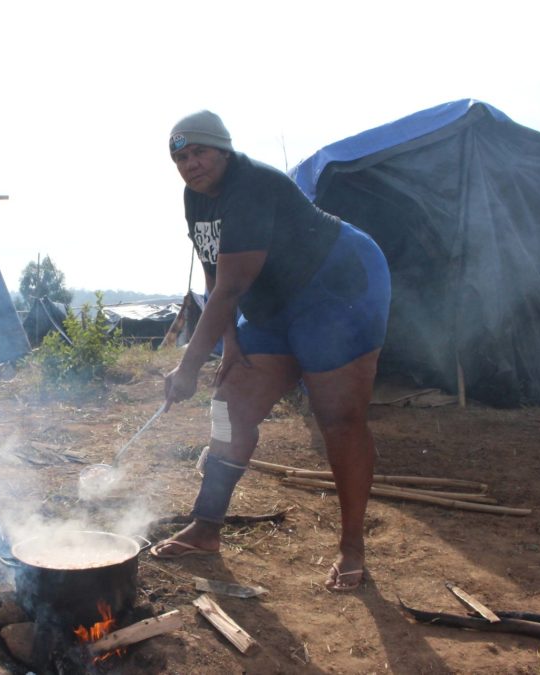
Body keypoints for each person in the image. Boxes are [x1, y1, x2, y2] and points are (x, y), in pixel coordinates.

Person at [153, 111, 391, 593]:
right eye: (181, 158)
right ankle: (206, 526)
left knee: (338, 418)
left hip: (336, 288)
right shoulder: (195, 196)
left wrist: (188, 366)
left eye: (199, 152)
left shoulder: (252, 186)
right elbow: (214, 274)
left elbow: (230, 288)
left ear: (223, 149)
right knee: (229, 407)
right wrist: (229, 343)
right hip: (272, 303)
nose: (190, 164)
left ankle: (352, 546)